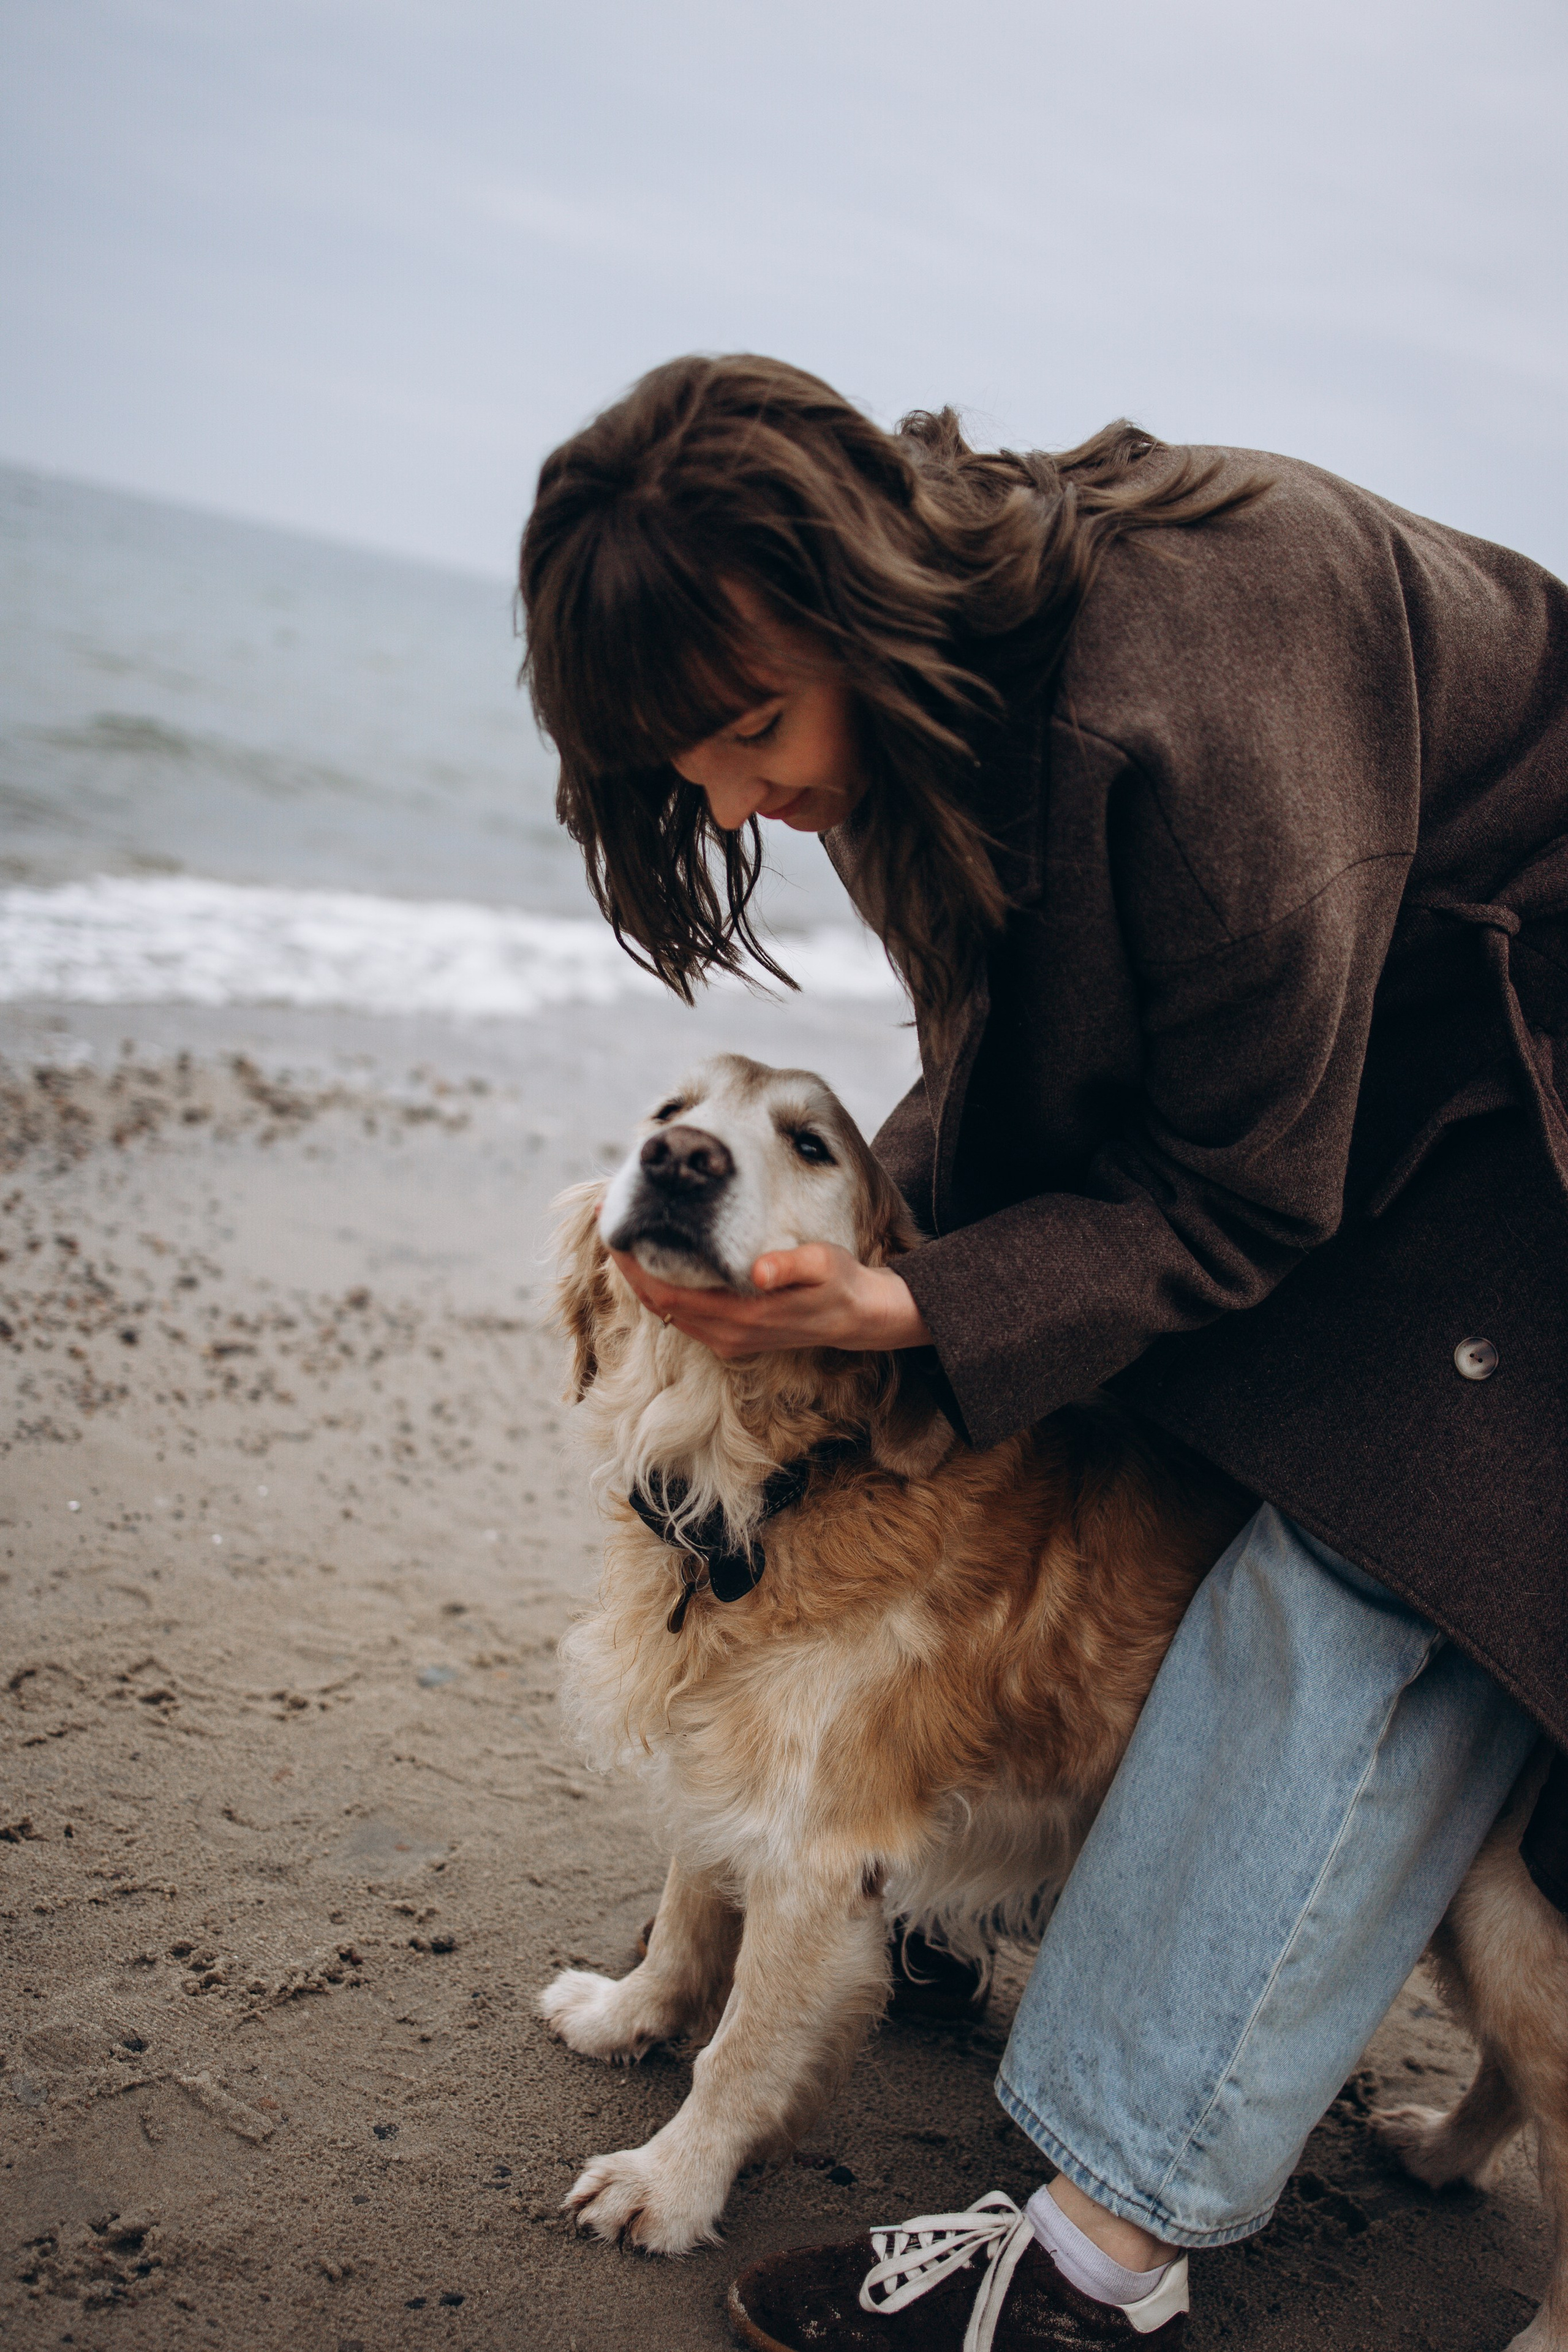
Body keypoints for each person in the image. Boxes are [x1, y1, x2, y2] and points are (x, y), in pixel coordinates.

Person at [518, 354, 1568, 2351]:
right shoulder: (933, 711)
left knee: (1362, 1555)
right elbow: (1011, 1081)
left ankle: (1093, 2260)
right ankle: (941, 1889)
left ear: (858, 600)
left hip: (1529, 1066)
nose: (735, 800)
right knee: (1102, 1412)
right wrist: (866, 1262)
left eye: (748, 730)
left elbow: (1248, 1197)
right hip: (1371, 1053)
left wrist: (906, 1304)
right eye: (686, 768)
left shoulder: (1191, 678)